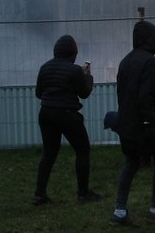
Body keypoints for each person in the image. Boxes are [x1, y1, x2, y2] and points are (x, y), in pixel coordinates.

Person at [110, 20, 155, 226]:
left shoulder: (125, 61)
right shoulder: (149, 61)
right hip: (142, 123)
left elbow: (125, 95)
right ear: (150, 40)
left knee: (131, 162)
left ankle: (119, 212)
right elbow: (145, 97)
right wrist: (153, 125)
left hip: (126, 122)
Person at [31, 34, 100, 206]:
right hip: (67, 114)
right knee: (82, 150)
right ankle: (83, 193)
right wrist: (88, 77)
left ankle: (40, 194)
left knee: (49, 153)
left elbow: (39, 93)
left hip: (46, 113)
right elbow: (84, 93)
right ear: (73, 54)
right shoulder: (75, 69)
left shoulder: (44, 67)